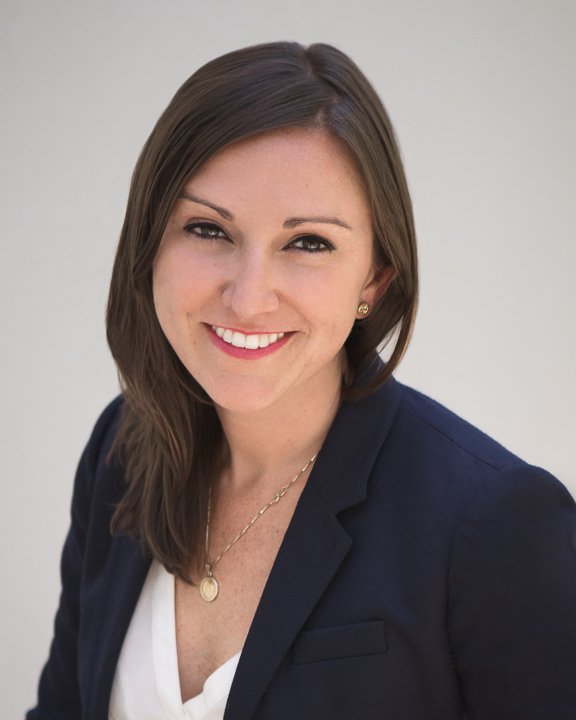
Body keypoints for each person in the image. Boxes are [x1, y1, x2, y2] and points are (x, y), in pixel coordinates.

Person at [28, 41, 576, 720]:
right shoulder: (123, 449)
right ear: (150, 247)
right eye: (208, 229)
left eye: (308, 243)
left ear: (374, 279)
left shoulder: (495, 524)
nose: (249, 297)